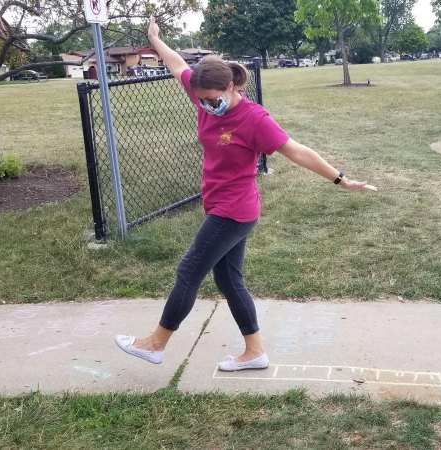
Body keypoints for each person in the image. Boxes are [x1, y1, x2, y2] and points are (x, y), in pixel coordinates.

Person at [115, 16, 377, 372]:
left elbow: (297, 151)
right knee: (227, 278)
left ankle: (155, 344)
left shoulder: (254, 120)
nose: (206, 105)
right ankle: (255, 352)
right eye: (201, 99)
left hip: (234, 211)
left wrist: (340, 179)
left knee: (189, 271)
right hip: (222, 205)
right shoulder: (201, 91)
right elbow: (177, 65)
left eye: (212, 99)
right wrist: (155, 39)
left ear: (231, 87)